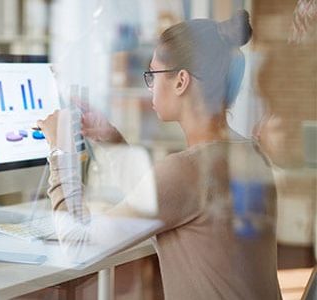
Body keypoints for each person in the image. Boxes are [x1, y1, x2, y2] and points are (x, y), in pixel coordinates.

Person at [37, 10, 281, 299]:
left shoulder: (188, 170)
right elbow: (163, 201)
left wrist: (60, 150)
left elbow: (78, 245)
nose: (149, 85)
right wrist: (111, 138)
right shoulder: (248, 153)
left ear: (181, 81)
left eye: (153, 74)